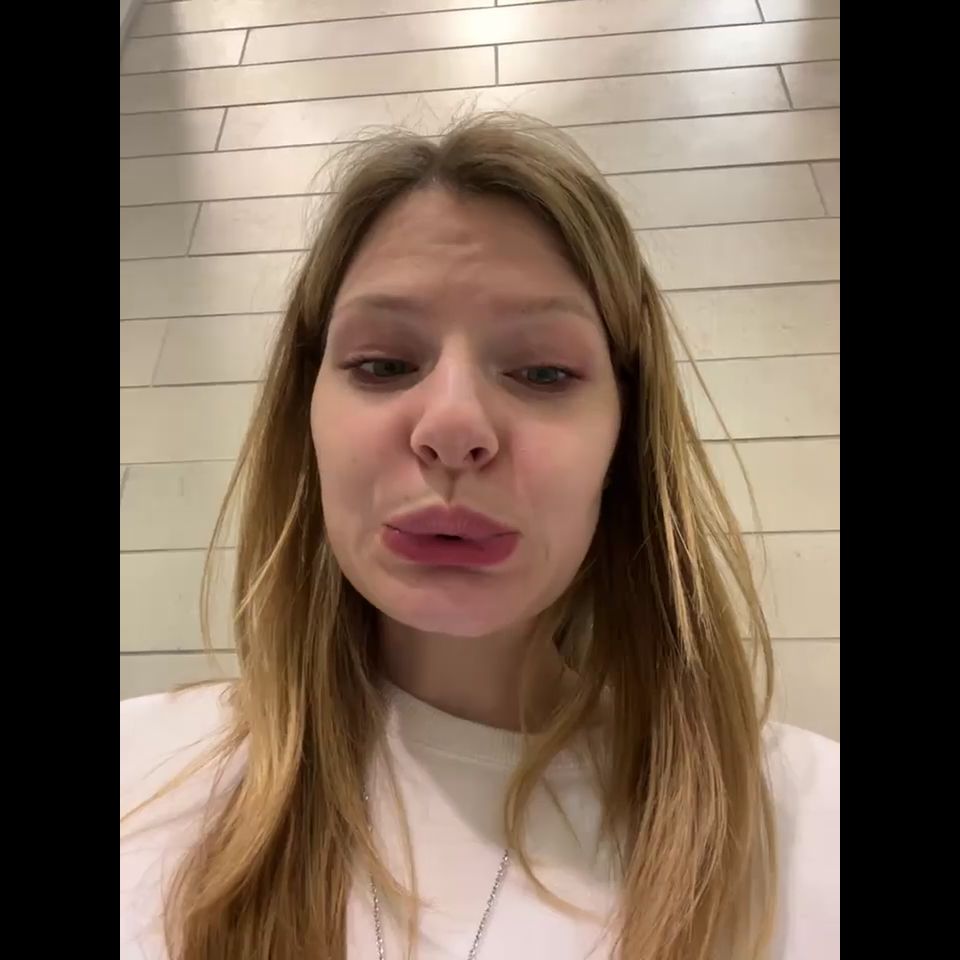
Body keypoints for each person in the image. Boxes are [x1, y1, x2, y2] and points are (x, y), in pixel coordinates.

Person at [120, 113, 839, 960]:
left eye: (543, 372)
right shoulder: (142, 774)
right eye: (384, 364)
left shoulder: (809, 825)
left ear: (623, 439)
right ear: (305, 418)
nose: (454, 426)